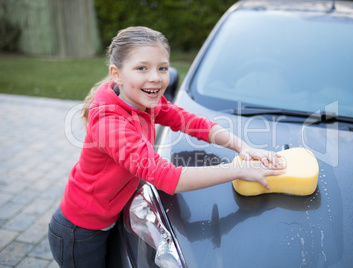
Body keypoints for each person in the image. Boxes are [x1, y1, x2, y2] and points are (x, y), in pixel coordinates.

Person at [48, 26, 285, 267]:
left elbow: (191, 122)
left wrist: (242, 147)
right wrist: (239, 170)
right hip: (80, 233)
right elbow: (168, 178)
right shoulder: (111, 124)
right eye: (142, 68)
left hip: (108, 217)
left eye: (162, 68)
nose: (155, 77)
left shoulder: (141, 100)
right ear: (116, 74)